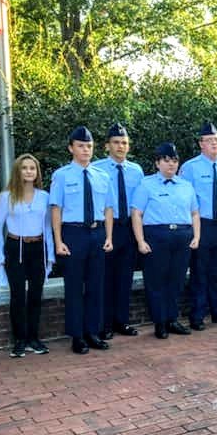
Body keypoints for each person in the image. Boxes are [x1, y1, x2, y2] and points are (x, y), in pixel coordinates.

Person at [50, 126, 114, 354]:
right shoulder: (61, 175)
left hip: (97, 233)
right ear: (71, 148)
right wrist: (58, 241)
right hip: (73, 234)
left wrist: (109, 236)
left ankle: (92, 332)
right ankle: (77, 336)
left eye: (89, 146)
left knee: (96, 285)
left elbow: (108, 208)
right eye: (81, 146)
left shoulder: (102, 176)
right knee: (74, 286)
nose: (86, 150)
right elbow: (56, 209)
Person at [131, 143, 200, 338]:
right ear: (157, 163)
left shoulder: (186, 186)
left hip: (182, 237)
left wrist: (196, 236)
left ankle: (172, 319)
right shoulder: (146, 184)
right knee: (156, 281)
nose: (171, 164)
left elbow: (195, 213)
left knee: (176, 280)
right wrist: (140, 241)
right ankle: (159, 322)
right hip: (157, 236)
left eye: (175, 161)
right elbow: (136, 213)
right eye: (166, 160)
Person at [0, 154, 55, 357]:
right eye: (24, 168)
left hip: (38, 248)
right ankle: (19, 340)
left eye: (32, 168)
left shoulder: (44, 197)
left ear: (37, 172)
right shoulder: (6, 197)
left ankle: (33, 339)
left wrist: (50, 253)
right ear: (17, 171)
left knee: (36, 294)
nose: (28, 171)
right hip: (15, 247)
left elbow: (48, 227)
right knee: (18, 295)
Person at [179, 121, 217, 330]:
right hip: (202, 226)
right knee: (200, 272)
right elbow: (184, 200)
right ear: (201, 143)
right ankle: (197, 315)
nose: (215, 143)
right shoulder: (190, 168)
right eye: (210, 140)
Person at [91, 123, 144, 340]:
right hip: (107, 228)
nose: (120, 146)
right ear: (107, 146)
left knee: (125, 277)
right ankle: (104, 324)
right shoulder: (97, 169)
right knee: (105, 277)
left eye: (124, 143)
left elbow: (140, 203)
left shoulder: (137, 170)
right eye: (116, 142)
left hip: (129, 229)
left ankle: (122, 321)